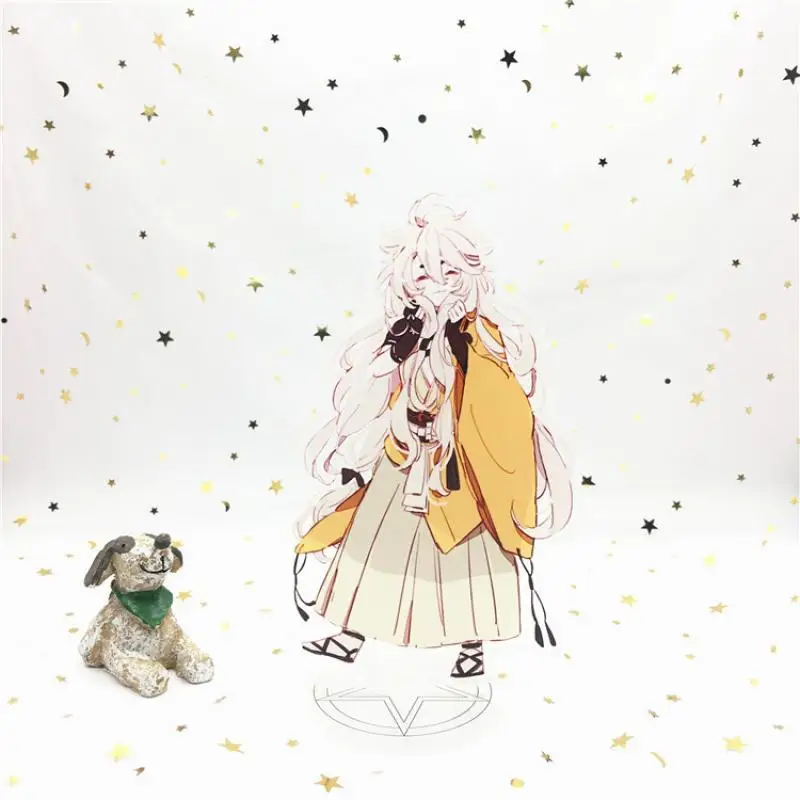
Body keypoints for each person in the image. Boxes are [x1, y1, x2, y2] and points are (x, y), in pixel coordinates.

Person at [292, 194, 573, 678]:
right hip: (406, 455)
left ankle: (472, 644)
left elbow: (499, 401)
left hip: (460, 463)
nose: (437, 283)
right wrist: (397, 354)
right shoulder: (405, 330)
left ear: (468, 275)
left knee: (466, 549)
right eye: (423, 273)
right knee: (377, 540)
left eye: (448, 271)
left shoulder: (480, 335)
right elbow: (375, 382)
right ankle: (351, 633)